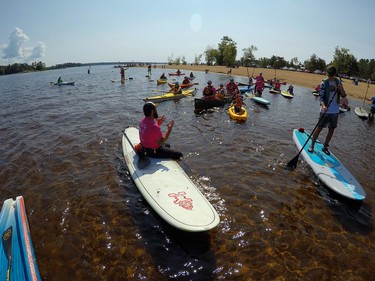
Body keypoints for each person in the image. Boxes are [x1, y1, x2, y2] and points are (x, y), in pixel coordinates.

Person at [308, 65, 348, 155]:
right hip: (325, 110)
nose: (330, 77)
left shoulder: (338, 82)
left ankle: (325, 146)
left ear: (335, 74)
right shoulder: (324, 83)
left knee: (331, 129)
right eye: (329, 75)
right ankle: (312, 145)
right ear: (327, 73)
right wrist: (323, 105)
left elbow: (344, 95)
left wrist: (341, 89)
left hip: (335, 111)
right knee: (319, 128)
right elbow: (321, 97)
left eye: (332, 75)